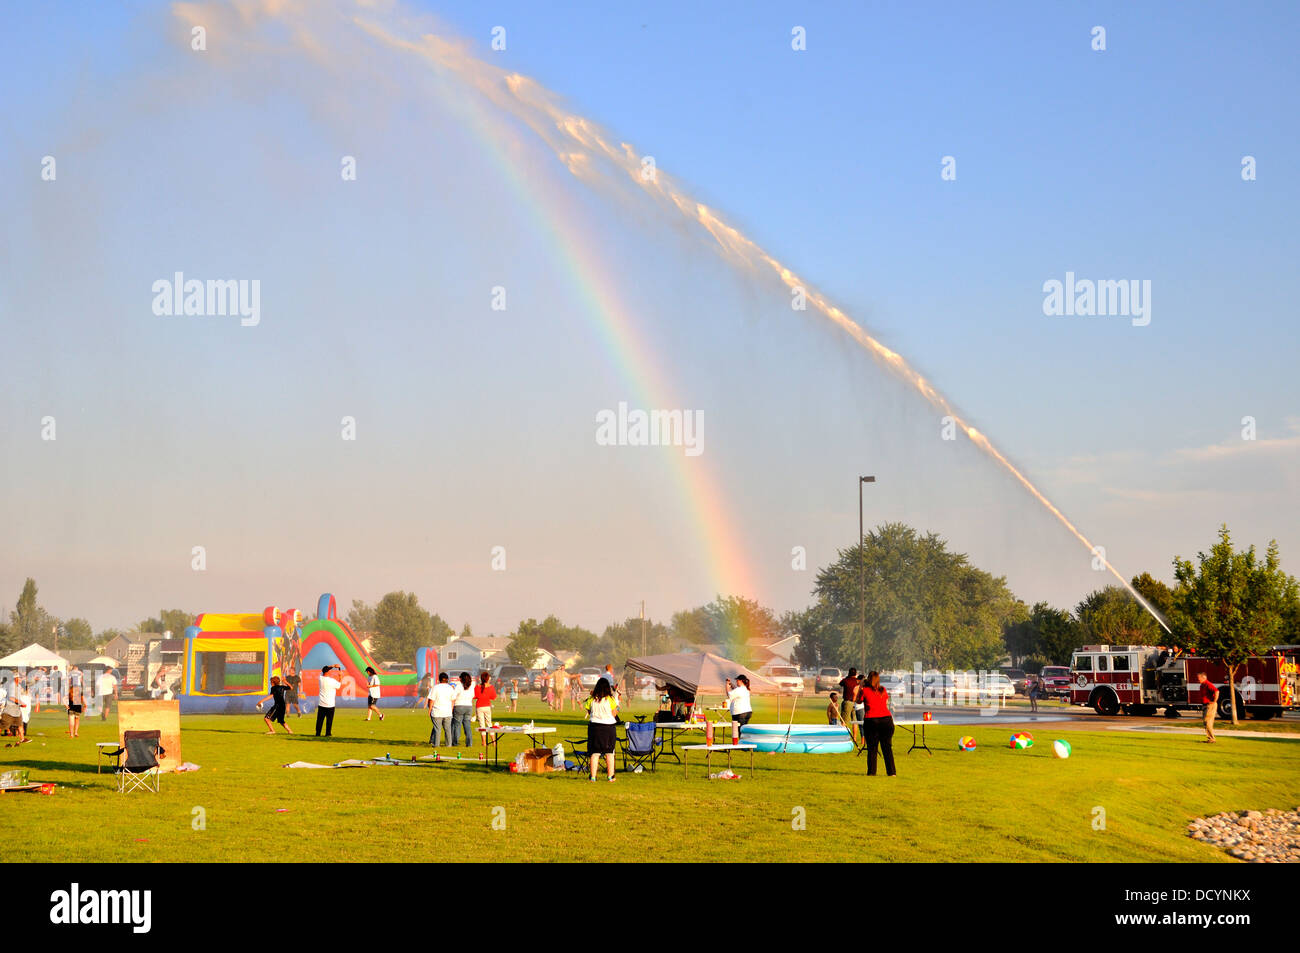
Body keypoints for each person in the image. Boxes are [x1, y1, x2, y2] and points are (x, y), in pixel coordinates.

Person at [860, 670, 897, 777]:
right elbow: (883, 702)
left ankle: (872, 772)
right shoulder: (883, 690)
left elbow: (857, 700)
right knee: (887, 748)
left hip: (872, 720)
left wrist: (861, 687)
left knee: (872, 748)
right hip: (886, 720)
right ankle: (891, 772)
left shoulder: (865, 690)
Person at [584, 678, 620, 782]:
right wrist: (618, 707)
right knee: (609, 753)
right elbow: (614, 713)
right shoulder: (610, 699)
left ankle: (593, 777)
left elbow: (589, 710)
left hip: (594, 727)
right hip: (608, 728)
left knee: (595, 753)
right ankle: (610, 776)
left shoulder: (591, 699)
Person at [427, 672, 455, 747]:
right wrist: (451, 709)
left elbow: (431, 700)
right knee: (448, 730)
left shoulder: (435, 687)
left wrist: (429, 710)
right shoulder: (450, 688)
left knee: (437, 730)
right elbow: (453, 700)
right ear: (447, 680)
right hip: (447, 712)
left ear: (439, 679)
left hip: (437, 712)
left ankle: (436, 745)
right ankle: (449, 745)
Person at [316, 665, 343, 737]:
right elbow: (339, 686)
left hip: (321, 703)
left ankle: (318, 733)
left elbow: (323, 670)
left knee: (319, 720)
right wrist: (340, 677)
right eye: (330, 670)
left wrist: (333, 666)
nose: (331, 672)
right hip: (330, 704)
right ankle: (328, 733)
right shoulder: (332, 681)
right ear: (328, 672)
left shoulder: (320, 678)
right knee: (329, 721)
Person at [473, 671, 496, 750]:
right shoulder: (491, 687)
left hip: (479, 706)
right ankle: (493, 741)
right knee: (489, 723)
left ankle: (484, 742)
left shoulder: (477, 687)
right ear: (488, 678)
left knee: (482, 725)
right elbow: (493, 697)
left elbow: (475, 696)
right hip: (487, 706)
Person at [451, 672, 474, 747]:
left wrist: (451, 707)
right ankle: (469, 743)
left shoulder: (458, 686)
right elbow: (473, 696)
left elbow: (453, 697)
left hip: (459, 706)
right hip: (469, 707)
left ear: (461, 679)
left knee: (457, 725)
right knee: (467, 725)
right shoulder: (471, 686)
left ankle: (455, 742)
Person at [838, 668, 860, 740]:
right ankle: (855, 737)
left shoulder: (846, 680)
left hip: (847, 702)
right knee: (855, 720)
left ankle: (842, 736)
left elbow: (840, 683)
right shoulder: (857, 681)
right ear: (856, 673)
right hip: (856, 702)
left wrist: (847, 677)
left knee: (844, 720)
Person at [1197, 672, 1218, 743]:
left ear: (1204, 678)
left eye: (1199, 678)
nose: (1197, 679)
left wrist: (1214, 701)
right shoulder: (1202, 685)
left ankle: (1211, 738)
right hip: (1205, 705)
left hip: (1210, 705)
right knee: (1206, 722)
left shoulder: (1207, 684)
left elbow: (1216, 691)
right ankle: (1210, 738)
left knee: (1207, 721)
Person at [66, 666, 84, 738]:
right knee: (77, 718)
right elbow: (82, 680)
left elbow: (69, 681)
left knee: (72, 717)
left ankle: (72, 734)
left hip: (72, 688)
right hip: (78, 688)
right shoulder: (80, 672)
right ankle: (76, 732)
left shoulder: (70, 673)